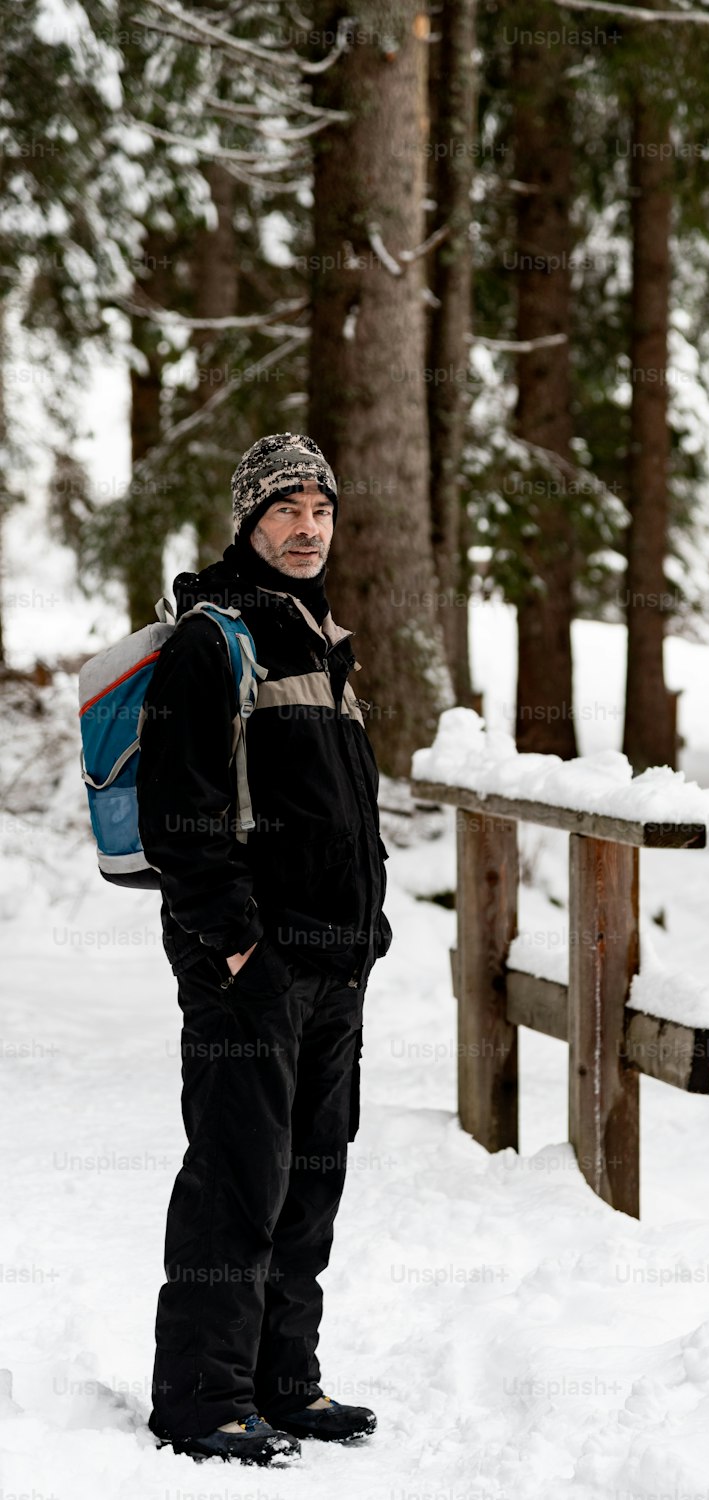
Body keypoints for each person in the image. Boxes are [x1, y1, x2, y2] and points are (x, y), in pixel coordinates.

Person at [136, 433, 391, 1466]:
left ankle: (285, 1382)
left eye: (321, 510)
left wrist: (364, 937)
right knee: (239, 1177)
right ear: (249, 520)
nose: (307, 528)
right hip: (252, 968)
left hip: (333, 965)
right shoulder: (214, 639)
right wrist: (240, 946)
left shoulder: (323, 640)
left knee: (311, 1178)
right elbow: (179, 816)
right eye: (286, 508)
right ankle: (203, 1398)